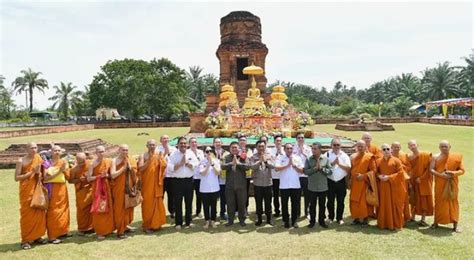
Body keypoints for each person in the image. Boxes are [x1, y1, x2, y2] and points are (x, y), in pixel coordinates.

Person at [15, 142, 47, 250]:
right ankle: (26, 240)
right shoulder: (21, 161)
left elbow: (42, 173)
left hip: (37, 189)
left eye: (35, 147)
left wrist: (39, 173)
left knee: (39, 212)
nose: (34, 149)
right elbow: (17, 177)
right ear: (26, 149)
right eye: (31, 148)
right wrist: (31, 172)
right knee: (27, 215)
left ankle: (37, 236)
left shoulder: (38, 158)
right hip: (26, 191)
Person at [430, 140, 464, 233]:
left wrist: (452, 173)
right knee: (438, 201)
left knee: (453, 202)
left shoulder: (457, 157)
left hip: (452, 183)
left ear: (450, 146)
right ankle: (436, 222)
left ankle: (455, 224)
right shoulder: (435, 157)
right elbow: (431, 169)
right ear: (439, 147)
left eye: (446, 146)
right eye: (442, 146)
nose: (444, 148)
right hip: (440, 183)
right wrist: (442, 175)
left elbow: (462, 171)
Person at [168, 137, 199, 229]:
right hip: (177, 181)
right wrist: (181, 163)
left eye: (185, 143)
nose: (183, 145)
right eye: (181, 143)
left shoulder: (190, 153)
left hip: (189, 181)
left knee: (189, 202)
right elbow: (170, 168)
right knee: (178, 202)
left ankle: (188, 222)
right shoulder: (173, 154)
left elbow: (196, 165)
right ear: (178, 144)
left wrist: (188, 164)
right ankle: (178, 223)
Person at [43, 145, 70, 244]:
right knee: (53, 212)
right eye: (55, 150)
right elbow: (45, 179)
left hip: (62, 190)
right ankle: (52, 236)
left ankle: (62, 231)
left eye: (59, 151)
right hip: (51, 189)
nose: (57, 152)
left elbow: (68, 176)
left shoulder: (63, 162)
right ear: (51, 152)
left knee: (63, 210)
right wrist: (60, 171)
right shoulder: (46, 163)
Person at [138, 139, 167, 233]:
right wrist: (149, 160)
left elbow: (164, 166)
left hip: (157, 184)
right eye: (150, 145)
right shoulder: (143, 155)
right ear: (147, 145)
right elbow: (141, 168)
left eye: (153, 145)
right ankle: (147, 226)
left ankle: (156, 224)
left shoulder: (159, 154)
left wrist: (161, 161)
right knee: (147, 205)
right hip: (147, 185)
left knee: (158, 203)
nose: (152, 146)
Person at [87, 145, 115, 240]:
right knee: (99, 209)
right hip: (97, 189)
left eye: (103, 151)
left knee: (109, 207)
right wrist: (99, 177)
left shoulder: (108, 161)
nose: (101, 153)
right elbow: (88, 178)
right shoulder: (92, 164)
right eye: (99, 152)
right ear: (96, 153)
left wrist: (106, 175)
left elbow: (111, 175)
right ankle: (100, 231)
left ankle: (108, 229)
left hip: (107, 187)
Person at [376, 144, 405, 231]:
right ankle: (383, 224)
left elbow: (400, 173)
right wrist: (379, 176)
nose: (386, 151)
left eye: (387, 149)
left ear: (391, 150)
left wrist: (389, 177)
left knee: (395, 205)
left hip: (394, 187)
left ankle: (396, 224)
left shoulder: (396, 161)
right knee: (383, 204)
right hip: (383, 186)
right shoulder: (378, 161)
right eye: (383, 149)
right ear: (381, 151)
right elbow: (376, 172)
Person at [110, 144, 137, 239]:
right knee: (119, 209)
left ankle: (125, 226)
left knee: (128, 207)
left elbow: (135, 174)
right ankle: (120, 232)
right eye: (123, 150)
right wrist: (123, 169)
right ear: (119, 150)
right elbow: (113, 175)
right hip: (118, 189)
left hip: (128, 188)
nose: (125, 152)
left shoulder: (129, 160)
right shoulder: (114, 161)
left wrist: (130, 169)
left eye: (126, 150)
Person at [276, 143, 304, 228]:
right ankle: (286, 221)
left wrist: (294, 166)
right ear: (284, 150)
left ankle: (294, 221)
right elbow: (277, 168)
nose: (289, 150)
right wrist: (287, 165)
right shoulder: (280, 158)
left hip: (295, 185)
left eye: (291, 148)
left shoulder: (297, 158)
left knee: (295, 204)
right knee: (284, 204)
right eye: (287, 148)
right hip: (284, 185)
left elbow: (302, 170)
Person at [304, 142, 332, 229]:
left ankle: (321, 221)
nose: (313, 150)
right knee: (312, 206)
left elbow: (330, 172)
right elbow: (305, 172)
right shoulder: (308, 159)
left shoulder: (325, 159)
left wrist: (322, 169)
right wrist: (315, 169)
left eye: (315, 149)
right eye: (312, 148)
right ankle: (312, 222)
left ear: (320, 150)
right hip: (312, 187)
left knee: (322, 205)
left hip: (322, 187)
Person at [349, 140, 376, 226]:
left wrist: (364, 176)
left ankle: (365, 218)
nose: (360, 148)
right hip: (354, 182)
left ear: (365, 147)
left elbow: (373, 171)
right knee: (354, 200)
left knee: (363, 201)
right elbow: (351, 170)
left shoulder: (369, 157)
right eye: (359, 146)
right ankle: (356, 218)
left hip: (364, 183)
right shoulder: (353, 157)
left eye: (362, 146)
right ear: (356, 147)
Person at [222, 141, 249, 226]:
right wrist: (231, 163)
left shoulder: (243, 157)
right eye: (232, 147)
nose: (234, 149)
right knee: (230, 203)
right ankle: (230, 220)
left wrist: (239, 163)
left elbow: (248, 167)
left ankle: (242, 220)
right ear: (230, 149)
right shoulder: (226, 157)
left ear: (239, 148)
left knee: (241, 203)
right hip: (230, 185)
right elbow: (223, 166)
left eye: (235, 147)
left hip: (241, 185)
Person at [407, 140, 433, 226]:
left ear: (417, 145)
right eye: (410, 145)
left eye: (413, 144)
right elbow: (408, 168)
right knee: (413, 197)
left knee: (424, 199)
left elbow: (429, 168)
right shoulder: (409, 157)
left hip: (424, 180)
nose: (412, 146)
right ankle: (412, 217)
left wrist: (421, 178)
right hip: (413, 180)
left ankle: (423, 219)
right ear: (408, 147)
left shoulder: (425, 155)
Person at [325, 138, 351, 225]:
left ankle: (339, 218)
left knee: (340, 201)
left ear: (340, 145)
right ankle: (330, 217)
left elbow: (348, 168)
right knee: (330, 201)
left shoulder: (344, 155)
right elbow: (323, 167)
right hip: (330, 181)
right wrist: (332, 164)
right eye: (334, 145)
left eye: (338, 145)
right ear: (331, 145)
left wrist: (339, 164)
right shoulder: (327, 154)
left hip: (341, 182)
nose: (336, 146)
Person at [250, 140, 274, 226]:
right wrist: (260, 161)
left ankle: (269, 219)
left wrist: (266, 161)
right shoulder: (253, 157)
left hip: (268, 183)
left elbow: (273, 166)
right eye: (259, 146)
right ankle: (259, 219)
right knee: (258, 202)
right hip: (258, 183)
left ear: (265, 147)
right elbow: (252, 167)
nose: (261, 148)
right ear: (256, 148)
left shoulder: (269, 156)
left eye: (262, 146)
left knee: (268, 202)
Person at [68, 152, 93, 235]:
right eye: (79, 162)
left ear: (86, 159)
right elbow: (70, 181)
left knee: (92, 208)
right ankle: (83, 228)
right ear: (76, 161)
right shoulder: (74, 169)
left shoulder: (90, 164)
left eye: (83, 161)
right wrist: (79, 180)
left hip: (91, 188)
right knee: (82, 209)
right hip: (81, 191)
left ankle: (92, 227)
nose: (82, 164)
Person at [199, 146, 221, 229]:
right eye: (207, 151)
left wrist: (212, 163)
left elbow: (218, 173)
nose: (209, 153)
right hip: (204, 188)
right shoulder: (202, 162)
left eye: (210, 151)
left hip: (214, 187)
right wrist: (208, 164)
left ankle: (213, 221)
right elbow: (203, 173)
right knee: (205, 206)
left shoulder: (217, 161)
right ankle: (207, 221)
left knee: (214, 205)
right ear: (204, 152)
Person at [391, 142, 412, 223]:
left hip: (403, 180)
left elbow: (409, 167)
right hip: (392, 180)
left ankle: (405, 216)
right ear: (391, 147)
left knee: (403, 198)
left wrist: (401, 166)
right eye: (395, 147)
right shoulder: (389, 155)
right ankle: (393, 216)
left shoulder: (404, 155)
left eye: (398, 147)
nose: (397, 148)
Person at [157, 135, 177, 218]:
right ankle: (159, 212)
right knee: (160, 195)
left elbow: (175, 160)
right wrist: (165, 152)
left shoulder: (174, 149)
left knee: (172, 195)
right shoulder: (157, 149)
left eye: (167, 138)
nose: (165, 140)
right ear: (160, 140)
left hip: (171, 175)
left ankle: (172, 211)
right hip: (161, 176)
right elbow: (157, 160)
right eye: (163, 138)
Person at [292, 133, 311, 219]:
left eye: (302, 138)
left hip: (306, 175)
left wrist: (303, 153)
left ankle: (307, 212)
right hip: (296, 175)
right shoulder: (292, 148)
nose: (300, 139)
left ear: (304, 139)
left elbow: (311, 160)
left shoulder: (308, 148)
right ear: (296, 139)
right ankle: (297, 213)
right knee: (297, 195)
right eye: (299, 138)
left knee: (307, 195)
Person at [212, 138, 229, 221]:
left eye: (219, 142)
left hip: (223, 178)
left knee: (223, 197)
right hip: (213, 178)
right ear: (213, 143)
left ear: (221, 143)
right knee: (214, 197)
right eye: (216, 142)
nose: (218, 144)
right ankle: (213, 213)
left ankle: (223, 213)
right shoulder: (210, 153)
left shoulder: (226, 153)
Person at [189, 137, 204, 218]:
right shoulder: (187, 153)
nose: (194, 144)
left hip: (199, 177)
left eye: (195, 142)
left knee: (199, 195)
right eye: (192, 142)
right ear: (189, 144)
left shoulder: (201, 152)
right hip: (190, 177)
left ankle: (198, 211)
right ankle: (190, 212)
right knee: (190, 196)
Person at [269, 134, 284, 217]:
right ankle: (277, 210)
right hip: (274, 176)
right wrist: (276, 154)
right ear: (274, 142)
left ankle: (283, 210)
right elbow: (271, 162)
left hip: (283, 176)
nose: (278, 142)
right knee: (275, 195)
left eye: (280, 141)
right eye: (277, 141)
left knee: (284, 195)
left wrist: (281, 153)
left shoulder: (285, 150)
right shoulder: (271, 151)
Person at [238, 135, 253, 216]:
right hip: (238, 174)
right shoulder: (235, 150)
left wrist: (244, 154)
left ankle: (245, 208)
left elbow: (249, 160)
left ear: (246, 142)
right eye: (241, 140)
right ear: (238, 141)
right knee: (237, 191)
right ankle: (237, 209)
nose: (242, 141)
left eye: (244, 140)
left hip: (247, 174)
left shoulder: (249, 150)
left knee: (246, 192)